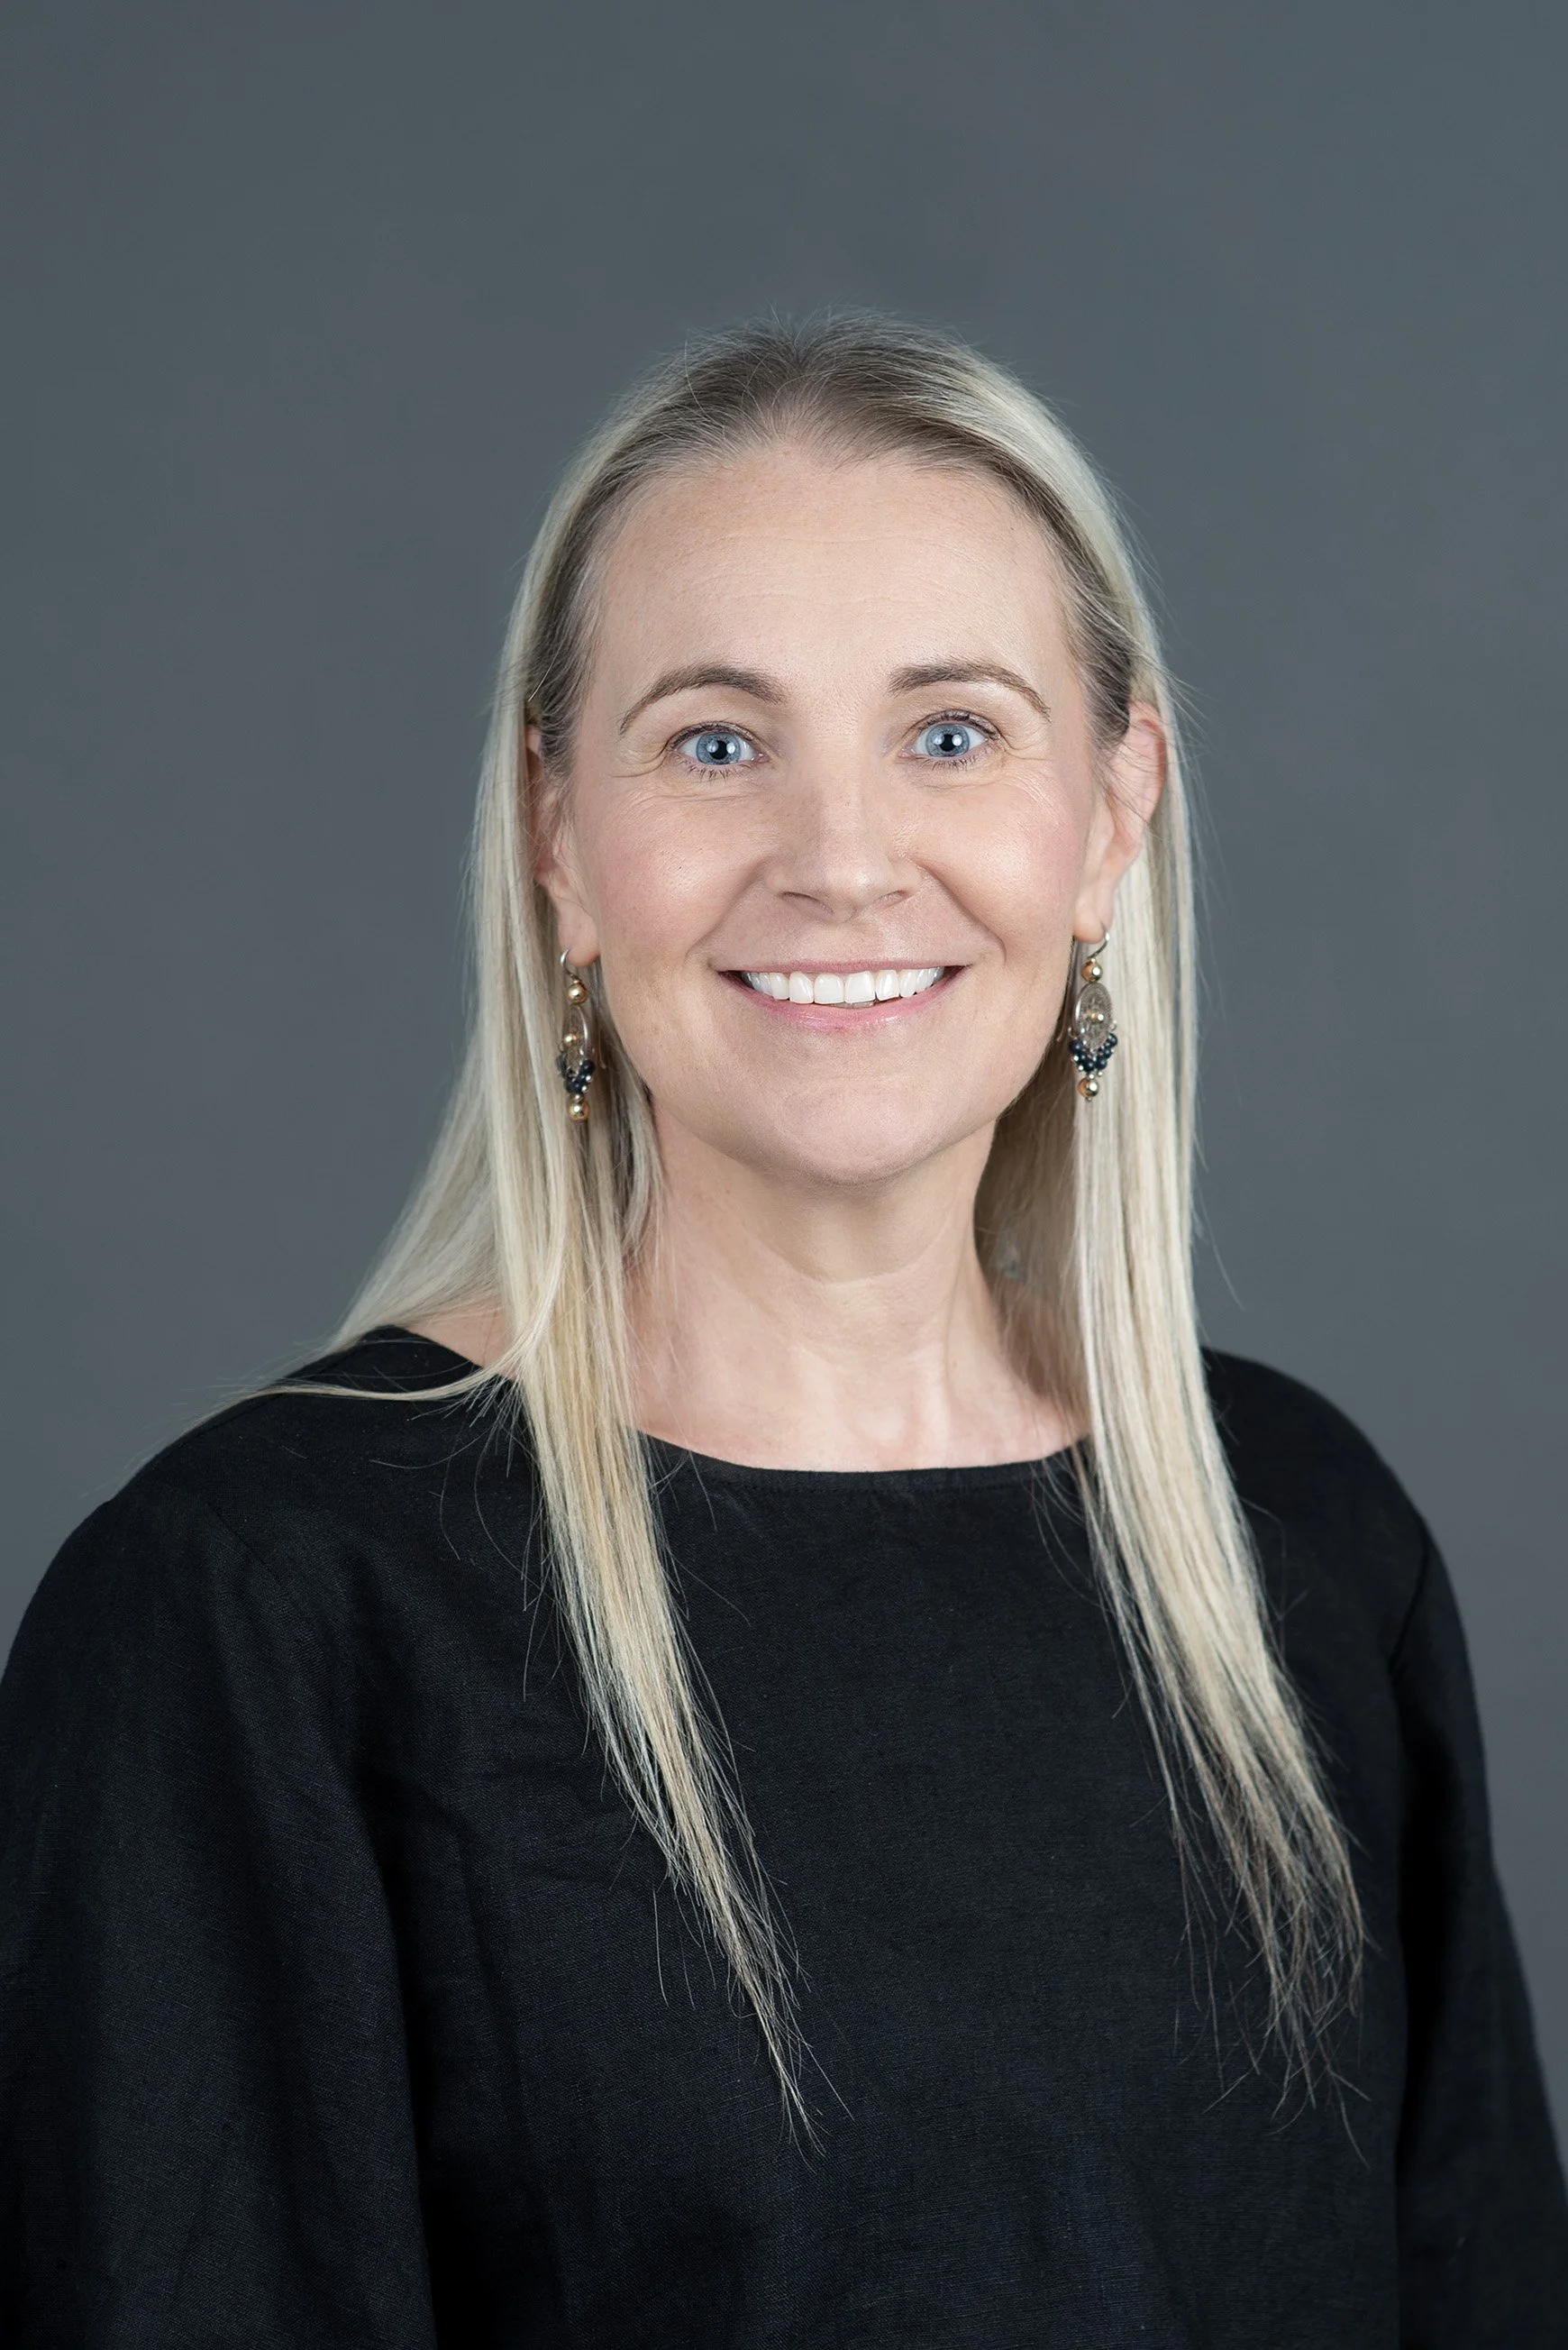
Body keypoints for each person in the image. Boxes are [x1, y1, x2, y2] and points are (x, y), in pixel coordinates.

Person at [2, 316, 1563, 2347]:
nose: (839, 861)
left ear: (1112, 810)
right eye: (718, 741)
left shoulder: (1305, 1545)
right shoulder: (251, 1610)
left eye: (952, 732)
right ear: (560, 837)